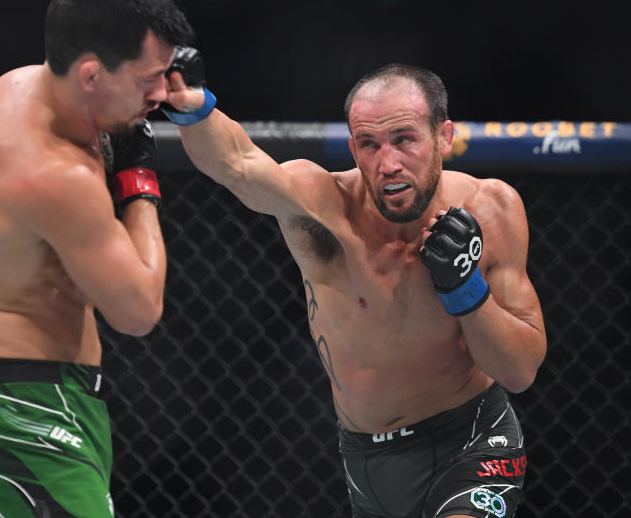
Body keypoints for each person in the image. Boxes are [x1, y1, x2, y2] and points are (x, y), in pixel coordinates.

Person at [162, 55, 546, 518]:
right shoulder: (326, 207)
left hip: (473, 438)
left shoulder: (492, 207)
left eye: (404, 140)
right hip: (366, 458)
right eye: (369, 144)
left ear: (444, 137)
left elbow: (520, 370)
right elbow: (240, 164)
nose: (388, 164)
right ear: (353, 148)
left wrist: (466, 288)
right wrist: (193, 108)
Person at [0, 0, 195, 517]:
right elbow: (139, 310)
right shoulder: (58, 176)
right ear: (93, 74)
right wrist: (138, 179)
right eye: (150, 80)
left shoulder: (3, 93)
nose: (162, 96)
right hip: (38, 411)